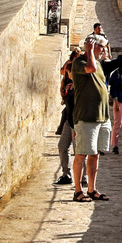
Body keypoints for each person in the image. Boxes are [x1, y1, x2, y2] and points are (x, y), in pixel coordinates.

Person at [69, 37, 112, 201]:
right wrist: (88, 51)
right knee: (81, 154)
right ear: (91, 45)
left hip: (101, 116)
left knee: (95, 154)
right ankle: (78, 191)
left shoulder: (99, 64)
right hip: (86, 116)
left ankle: (92, 189)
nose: (104, 50)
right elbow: (91, 68)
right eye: (102, 47)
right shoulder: (79, 63)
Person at [55, 47, 81, 186]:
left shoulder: (80, 87)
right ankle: (67, 174)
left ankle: (82, 178)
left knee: (79, 151)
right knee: (62, 146)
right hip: (68, 120)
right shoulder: (69, 85)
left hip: (77, 122)